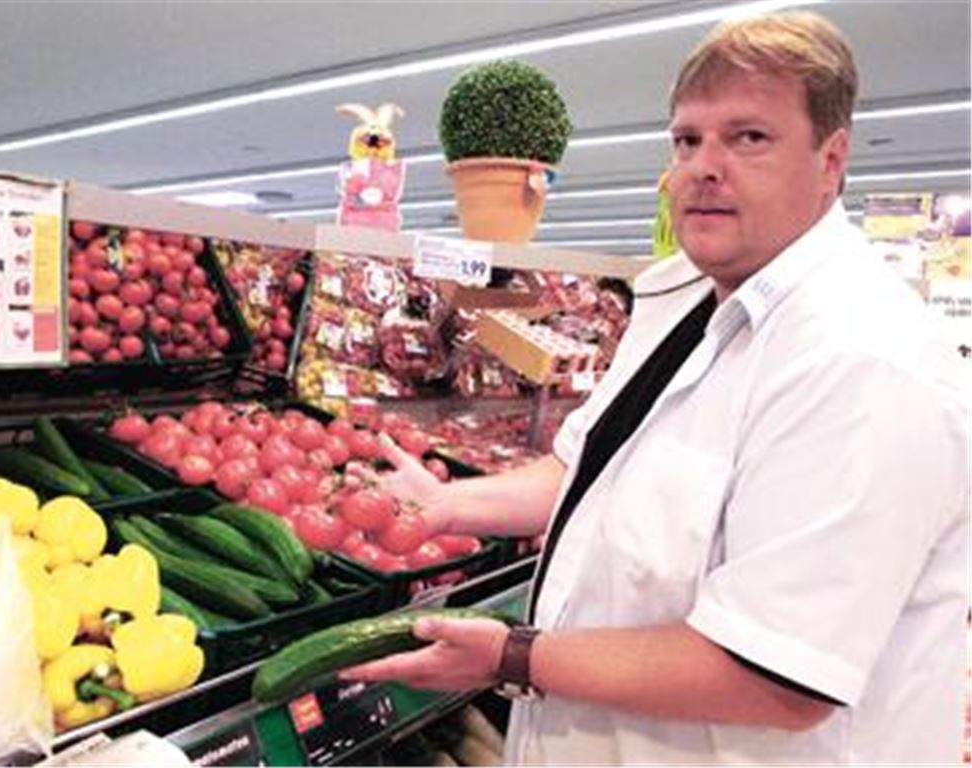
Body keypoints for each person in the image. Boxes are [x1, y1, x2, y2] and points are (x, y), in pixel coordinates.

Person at [342, 11, 969, 765]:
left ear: (831, 159)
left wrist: (513, 655)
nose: (705, 166)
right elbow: (592, 470)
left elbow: (776, 676)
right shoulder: (681, 299)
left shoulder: (865, 361)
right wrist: (448, 503)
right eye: (687, 139)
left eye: (750, 137)